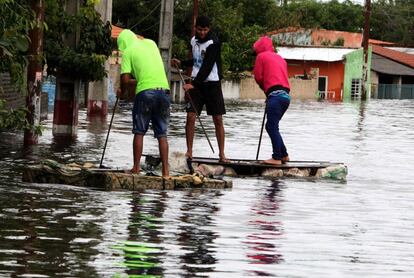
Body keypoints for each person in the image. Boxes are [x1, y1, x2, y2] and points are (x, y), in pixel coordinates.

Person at [171, 15, 229, 163]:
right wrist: (183, 62)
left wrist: (193, 84)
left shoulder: (213, 43)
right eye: (200, 29)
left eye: (205, 30)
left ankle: (222, 155)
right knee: (190, 117)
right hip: (196, 83)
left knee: (217, 119)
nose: (202, 32)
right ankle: (189, 152)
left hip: (211, 84)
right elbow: (197, 61)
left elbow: (207, 66)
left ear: (209, 29)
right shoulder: (193, 41)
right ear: (196, 28)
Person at [117, 29, 170, 177]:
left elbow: (126, 80)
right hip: (164, 90)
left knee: (139, 131)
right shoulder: (151, 43)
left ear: (123, 44)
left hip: (146, 93)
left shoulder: (128, 52)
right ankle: (166, 171)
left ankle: (136, 168)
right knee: (162, 133)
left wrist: (122, 91)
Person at [252, 36, 291, 165]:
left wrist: (266, 90)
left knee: (271, 127)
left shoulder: (261, 57)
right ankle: (284, 155)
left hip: (275, 96)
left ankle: (277, 157)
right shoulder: (280, 58)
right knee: (272, 126)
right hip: (285, 97)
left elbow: (258, 77)